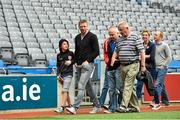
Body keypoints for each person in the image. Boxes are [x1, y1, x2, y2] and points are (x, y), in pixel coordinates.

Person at [66, 19, 101, 114]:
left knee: (81, 85)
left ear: (87, 26)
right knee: (88, 86)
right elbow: (77, 52)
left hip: (88, 65)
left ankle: (75, 107)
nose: (83, 28)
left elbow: (96, 51)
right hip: (79, 65)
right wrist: (74, 62)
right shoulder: (77, 37)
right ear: (79, 27)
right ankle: (97, 105)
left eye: (84, 26)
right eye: (81, 26)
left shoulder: (93, 36)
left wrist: (88, 60)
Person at [111, 21, 146, 113]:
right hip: (123, 66)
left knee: (127, 85)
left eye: (121, 30)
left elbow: (142, 52)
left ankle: (123, 106)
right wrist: (113, 58)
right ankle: (135, 107)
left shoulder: (135, 37)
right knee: (130, 87)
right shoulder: (120, 40)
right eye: (119, 31)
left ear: (127, 28)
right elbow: (116, 50)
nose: (120, 32)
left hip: (133, 64)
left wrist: (142, 66)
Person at [103, 26, 123, 113]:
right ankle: (113, 108)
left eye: (112, 34)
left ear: (117, 33)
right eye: (110, 34)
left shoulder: (122, 41)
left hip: (119, 67)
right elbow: (106, 54)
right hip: (110, 68)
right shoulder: (107, 42)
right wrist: (108, 62)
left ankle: (122, 106)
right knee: (111, 89)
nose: (111, 36)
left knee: (120, 88)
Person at [151, 31, 172, 110]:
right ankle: (166, 101)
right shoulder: (152, 45)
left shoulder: (165, 45)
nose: (154, 36)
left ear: (160, 37)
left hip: (162, 68)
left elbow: (169, 57)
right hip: (154, 68)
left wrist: (163, 65)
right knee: (161, 85)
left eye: (156, 35)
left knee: (157, 85)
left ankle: (156, 102)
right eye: (154, 34)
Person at [136, 29, 156, 102]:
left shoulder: (152, 45)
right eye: (143, 35)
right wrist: (143, 56)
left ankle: (156, 100)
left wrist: (142, 56)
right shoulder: (140, 45)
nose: (144, 36)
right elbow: (137, 55)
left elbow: (152, 56)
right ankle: (138, 100)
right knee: (139, 85)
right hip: (141, 68)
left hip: (151, 68)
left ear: (149, 36)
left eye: (146, 35)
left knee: (152, 85)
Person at [55, 39, 74, 113]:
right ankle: (70, 106)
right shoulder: (58, 55)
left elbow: (76, 60)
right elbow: (58, 66)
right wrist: (58, 75)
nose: (66, 45)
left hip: (69, 74)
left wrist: (71, 61)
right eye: (64, 44)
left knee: (64, 90)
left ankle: (62, 107)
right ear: (60, 46)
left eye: (67, 44)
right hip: (61, 75)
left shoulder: (71, 53)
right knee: (66, 91)